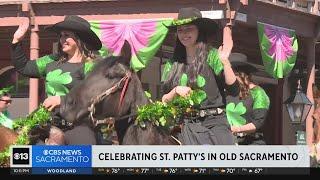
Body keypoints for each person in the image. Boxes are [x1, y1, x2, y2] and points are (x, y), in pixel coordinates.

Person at [11, 15, 102, 144]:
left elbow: (95, 96)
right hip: (46, 123)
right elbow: (24, 67)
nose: (62, 39)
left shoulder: (91, 65)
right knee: (22, 153)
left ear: (79, 38)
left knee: (84, 158)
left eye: (66, 35)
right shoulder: (52, 61)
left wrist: (62, 100)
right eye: (61, 36)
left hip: (78, 124)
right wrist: (16, 40)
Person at [161, 7, 239, 145]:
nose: (184, 34)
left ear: (199, 31)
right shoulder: (172, 64)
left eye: (189, 29)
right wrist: (175, 91)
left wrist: (226, 62)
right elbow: (164, 100)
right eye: (180, 30)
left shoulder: (213, 55)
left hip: (215, 124)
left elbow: (233, 89)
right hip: (186, 126)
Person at [226, 53, 270, 145]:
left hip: (251, 145)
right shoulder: (225, 92)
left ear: (241, 74)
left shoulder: (258, 93)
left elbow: (257, 122)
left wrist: (237, 129)